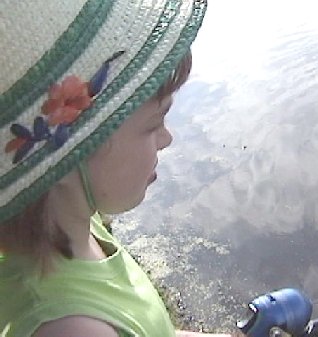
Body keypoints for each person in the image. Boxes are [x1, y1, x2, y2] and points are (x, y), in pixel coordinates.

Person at [0, 1, 235, 336]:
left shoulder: (76, 223)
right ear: (70, 154)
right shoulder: (74, 330)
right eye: (155, 123)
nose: (166, 139)